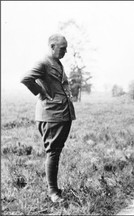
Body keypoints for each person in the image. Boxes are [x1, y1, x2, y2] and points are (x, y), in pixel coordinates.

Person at [20, 34, 76, 203]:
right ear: (52, 46)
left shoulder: (57, 62)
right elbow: (26, 79)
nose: (65, 51)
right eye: (62, 48)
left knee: (56, 151)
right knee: (52, 152)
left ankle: (55, 189)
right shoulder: (43, 62)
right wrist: (40, 92)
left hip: (61, 113)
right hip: (51, 114)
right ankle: (53, 192)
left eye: (66, 48)